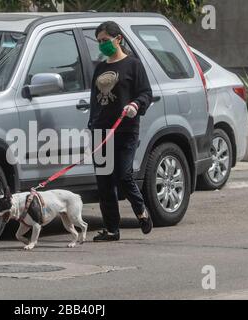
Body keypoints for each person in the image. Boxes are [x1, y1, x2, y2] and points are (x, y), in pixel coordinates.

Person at [88, 21, 154, 241]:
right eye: (99, 42)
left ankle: (141, 211)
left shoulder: (133, 65)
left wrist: (136, 105)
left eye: (105, 40)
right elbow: (94, 101)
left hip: (125, 130)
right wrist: (92, 125)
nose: (102, 45)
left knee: (124, 174)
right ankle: (111, 229)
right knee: (105, 181)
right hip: (101, 131)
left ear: (118, 39)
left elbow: (146, 93)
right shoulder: (100, 68)